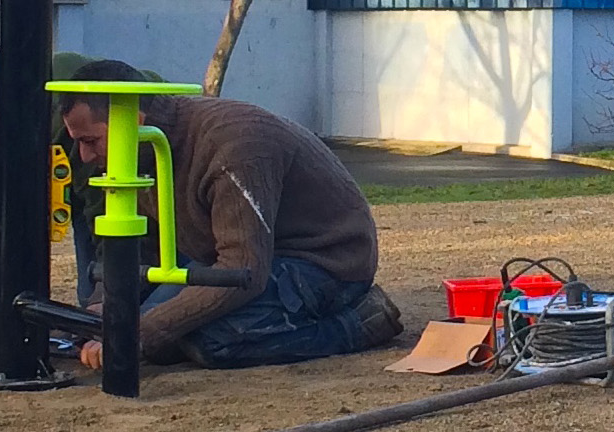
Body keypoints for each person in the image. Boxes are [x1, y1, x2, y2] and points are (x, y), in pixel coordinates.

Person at [58, 60, 405, 370]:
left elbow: (242, 270)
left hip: (323, 261)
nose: (84, 156)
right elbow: (148, 247)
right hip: (230, 257)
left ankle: (359, 323)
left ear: (133, 123)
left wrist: (139, 331)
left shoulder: (234, 146)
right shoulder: (143, 153)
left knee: (209, 341)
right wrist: (103, 308)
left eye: (91, 141)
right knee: (160, 333)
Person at [0, 53, 166, 308]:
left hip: (152, 159)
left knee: (123, 294)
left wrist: (107, 302)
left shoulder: (63, 113)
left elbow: (109, 206)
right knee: (93, 295)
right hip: (88, 174)